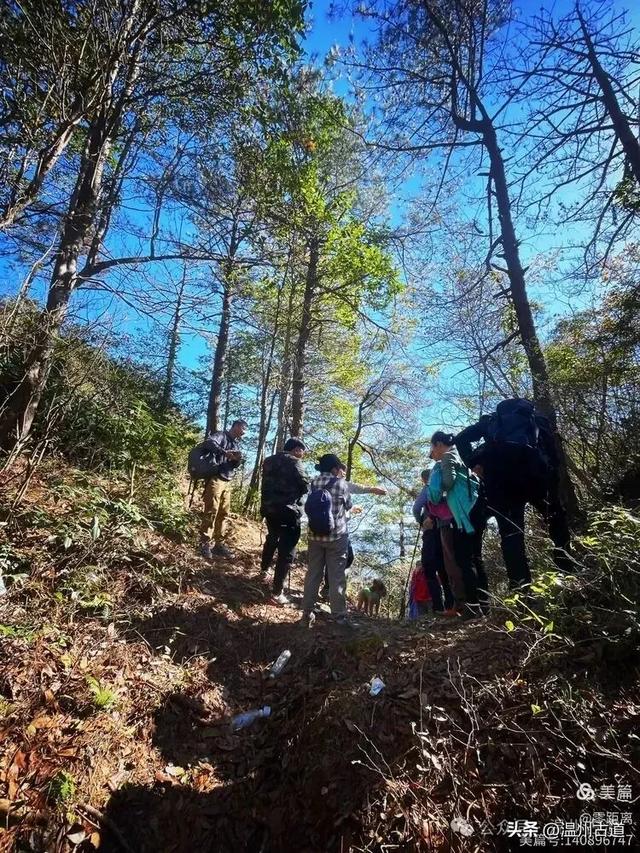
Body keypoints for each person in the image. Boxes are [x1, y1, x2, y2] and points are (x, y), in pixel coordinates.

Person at [455, 399, 572, 588]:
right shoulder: (537, 420)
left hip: (502, 485)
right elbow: (554, 456)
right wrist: (552, 481)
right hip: (537, 479)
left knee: (511, 536)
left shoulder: (490, 422)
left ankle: (521, 593)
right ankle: (568, 574)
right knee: (556, 520)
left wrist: (474, 464)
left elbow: (461, 438)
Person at [428, 431, 481, 619]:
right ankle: (478, 604)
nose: (432, 452)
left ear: (440, 444)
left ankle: (472, 607)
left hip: (463, 514)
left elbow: (448, 482)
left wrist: (436, 487)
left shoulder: (449, 456)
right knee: (472, 558)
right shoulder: (459, 454)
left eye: (432, 447)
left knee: (464, 560)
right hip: (471, 510)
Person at [319, 464, 387, 600]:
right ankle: (328, 589)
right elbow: (357, 488)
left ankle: (327, 587)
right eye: (342, 469)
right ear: (335, 470)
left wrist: (351, 509)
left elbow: (337, 503)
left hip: (323, 528)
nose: (344, 472)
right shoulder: (339, 483)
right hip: (337, 530)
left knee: (344, 558)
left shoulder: (320, 482)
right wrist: (373, 489)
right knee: (346, 558)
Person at [301, 453, 352, 626]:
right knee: (336, 575)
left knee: (313, 574)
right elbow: (349, 506)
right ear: (334, 469)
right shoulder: (341, 484)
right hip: (336, 536)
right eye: (338, 468)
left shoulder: (314, 483)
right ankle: (339, 616)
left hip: (315, 535)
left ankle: (306, 614)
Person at [259, 437, 309, 605]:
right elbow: (304, 485)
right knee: (287, 551)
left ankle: (263, 570)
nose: (302, 455)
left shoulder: (268, 460)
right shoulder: (294, 462)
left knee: (272, 538)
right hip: (288, 512)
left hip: (269, 509)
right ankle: (277, 592)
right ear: (296, 449)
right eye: (302, 451)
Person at [198, 419, 247, 559]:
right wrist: (224, 452)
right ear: (236, 426)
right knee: (211, 510)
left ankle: (219, 544)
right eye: (243, 429)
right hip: (216, 478)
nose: (244, 433)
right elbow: (208, 443)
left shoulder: (236, 443)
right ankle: (204, 543)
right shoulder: (221, 435)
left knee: (224, 513)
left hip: (228, 480)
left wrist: (236, 459)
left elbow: (234, 464)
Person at [412, 469, 454, 613]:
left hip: (431, 530)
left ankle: (438, 606)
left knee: (429, 568)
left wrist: (421, 520)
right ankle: (451, 604)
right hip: (447, 528)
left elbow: (416, 507)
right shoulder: (446, 486)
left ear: (424, 479)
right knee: (444, 568)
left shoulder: (428, 488)